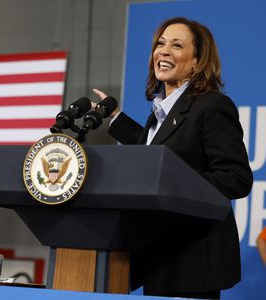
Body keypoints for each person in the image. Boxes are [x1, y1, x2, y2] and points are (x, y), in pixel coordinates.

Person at [93, 17, 253, 299]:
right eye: (160, 43)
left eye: (177, 45)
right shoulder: (160, 114)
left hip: (192, 258)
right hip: (159, 254)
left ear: (197, 61)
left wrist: (171, 180)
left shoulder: (212, 106)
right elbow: (156, 156)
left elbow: (236, 179)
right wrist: (116, 118)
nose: (163, 51)